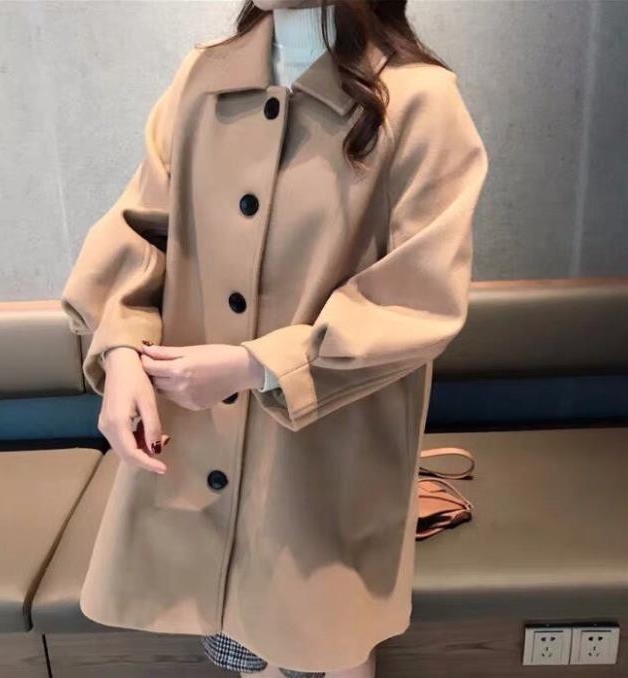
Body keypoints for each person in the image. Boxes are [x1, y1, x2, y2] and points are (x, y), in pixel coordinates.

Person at [60, 1, 489, 677]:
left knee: (320, 650)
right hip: (198, 454)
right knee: (240, 650)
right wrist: (119, 354)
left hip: (325, 463)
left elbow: (419, 295)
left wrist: (255, 365)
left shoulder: (418, 102)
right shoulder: (204, 79)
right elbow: (139, 232)